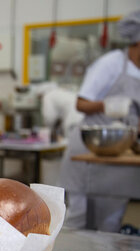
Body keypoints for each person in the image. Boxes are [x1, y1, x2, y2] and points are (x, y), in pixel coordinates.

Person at [58, 9, 140, 232]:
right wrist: (110, 105)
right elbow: (81, 103)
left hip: (120, 155)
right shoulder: (112, 63)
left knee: (110, 223)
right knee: (79, 221)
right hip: (90, 149)